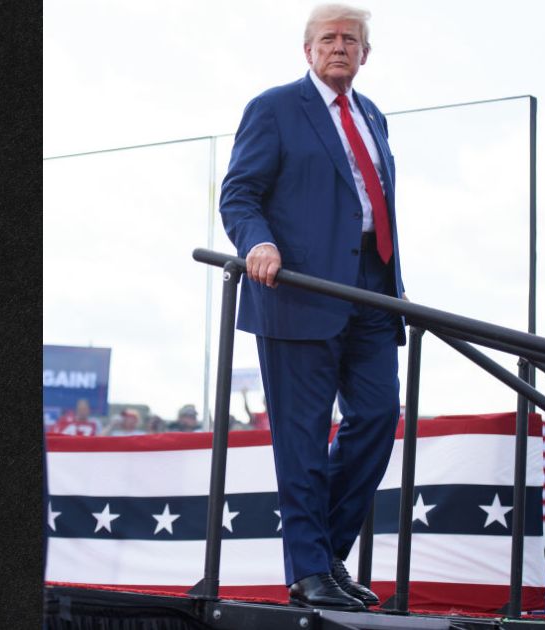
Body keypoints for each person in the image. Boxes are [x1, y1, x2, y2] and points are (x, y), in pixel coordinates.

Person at [220, 3, 405, 612]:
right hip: (296, 294)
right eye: (328, 38)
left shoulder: (373, 115)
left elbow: (368, 207)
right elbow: (239, 194)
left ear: (365, 54)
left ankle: (324, 553)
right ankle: (308, 570)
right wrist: (259, 243)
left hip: (371, 293)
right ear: (308, 50)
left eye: (351, 39)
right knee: (301, 440)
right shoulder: (274, 108)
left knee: (378, 417)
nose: (340, 47)